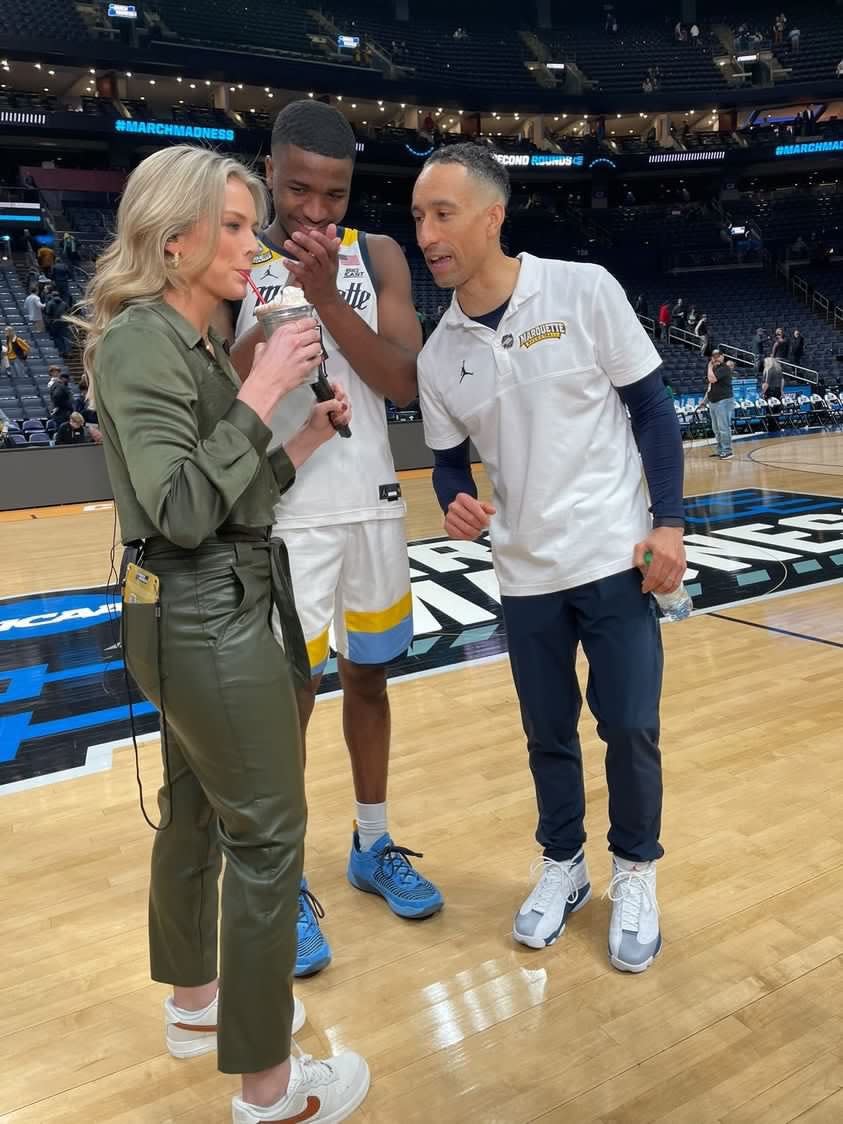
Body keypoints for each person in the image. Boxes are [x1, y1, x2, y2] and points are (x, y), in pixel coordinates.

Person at [79, 144, 367, 1124]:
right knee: (269, 835)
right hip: (206, 608)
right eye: (235, 226)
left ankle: (195, 1004)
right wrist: (259, 391)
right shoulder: (138, 343)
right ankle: (268, 1089)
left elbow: (231, 495)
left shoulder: (188, 342)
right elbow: (182, 511)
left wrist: (301, 437)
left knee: (198, 805)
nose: (256, 242)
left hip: (204, 600)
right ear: (173, 241)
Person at [412, 144, 686, 973]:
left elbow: (652, 408)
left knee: (629, 728)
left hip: (611, 554)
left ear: (492, 216)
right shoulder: (437, 355)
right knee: (547, 733)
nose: (426, 233)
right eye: (418, 216)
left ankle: (634, 872)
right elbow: (450, 460)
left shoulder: (582, 288)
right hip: (524, 572)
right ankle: (562, 866)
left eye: (443, 213)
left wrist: (668, 524)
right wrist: (451, 497)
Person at [225, 99, 442, 978]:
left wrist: (322, 300)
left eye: (337, 194)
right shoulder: (237, 258)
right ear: (270, 172)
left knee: (369, 681)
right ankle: (284, 883)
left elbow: (403, 380)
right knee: (289, 704)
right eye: (302, 190)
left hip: (375, 504)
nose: (318, 212)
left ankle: (372, 845)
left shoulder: (378, 254)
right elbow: (222, 389)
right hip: (287, 515)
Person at [707, 356, 736, 458]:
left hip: (723, 401)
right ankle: (720, 450)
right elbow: (710, 388)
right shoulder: (715, 370)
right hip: (713, 401)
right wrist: (704, 401)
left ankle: (727, 451)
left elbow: (712, 379)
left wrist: (709, 367)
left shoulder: (725, 368)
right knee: (716, 428)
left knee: (723, 427)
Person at [762, 356, 784, 431]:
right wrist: (781, 391)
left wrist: (762, 392)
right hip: (778, 390)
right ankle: (777, 426)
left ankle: (770, 427)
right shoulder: (779, 370)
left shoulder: (768, 370)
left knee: (770, 410)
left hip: (770, 391)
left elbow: (766, 383)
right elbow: (782, 381)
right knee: (776, 409)